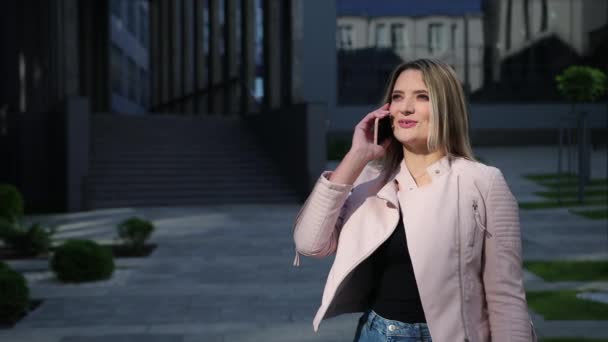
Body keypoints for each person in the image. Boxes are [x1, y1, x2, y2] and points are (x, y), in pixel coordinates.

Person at [292, 59, 536, 342]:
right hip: (375, 334)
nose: (405, 107)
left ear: (446, 107)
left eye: (422, 97)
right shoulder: (370, 180)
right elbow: (309, 243)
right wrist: (356, 156)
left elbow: (506, 296)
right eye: (397, 97)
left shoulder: (483, 182)